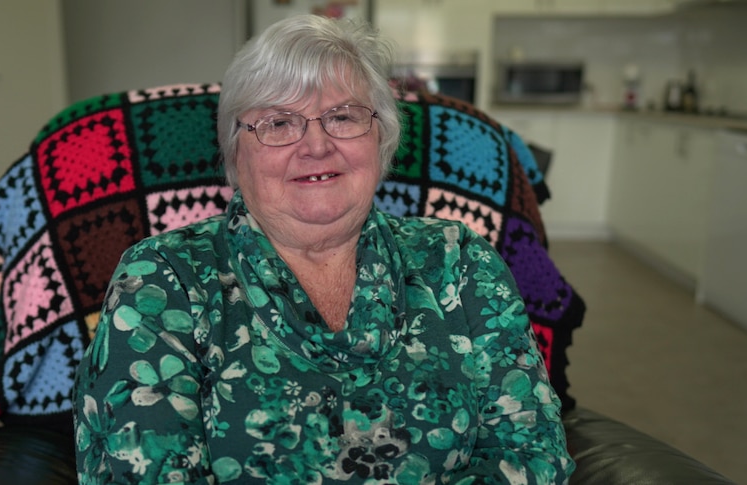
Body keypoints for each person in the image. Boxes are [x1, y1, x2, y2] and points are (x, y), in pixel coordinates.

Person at [72, 14, 574, 484]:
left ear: (381, 141)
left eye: (343, 117)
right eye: (278, 123)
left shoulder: (459, 262)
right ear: (235, 152)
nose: (315, 146)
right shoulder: (163, 280)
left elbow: (534, 453)